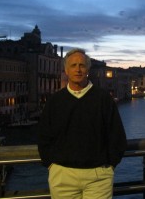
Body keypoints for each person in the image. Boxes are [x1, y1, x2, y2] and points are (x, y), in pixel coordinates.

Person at [38, 48, 127, 199]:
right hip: (62, 175)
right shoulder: (55, 101)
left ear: (88, 69)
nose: (78, 70)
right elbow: (44, 136)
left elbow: (117, 136)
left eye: (82, 65)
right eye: (73, 66)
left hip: (98, 176)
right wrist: (52, 166)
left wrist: (109, 166)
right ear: (66, 70)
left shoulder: (103, 99)